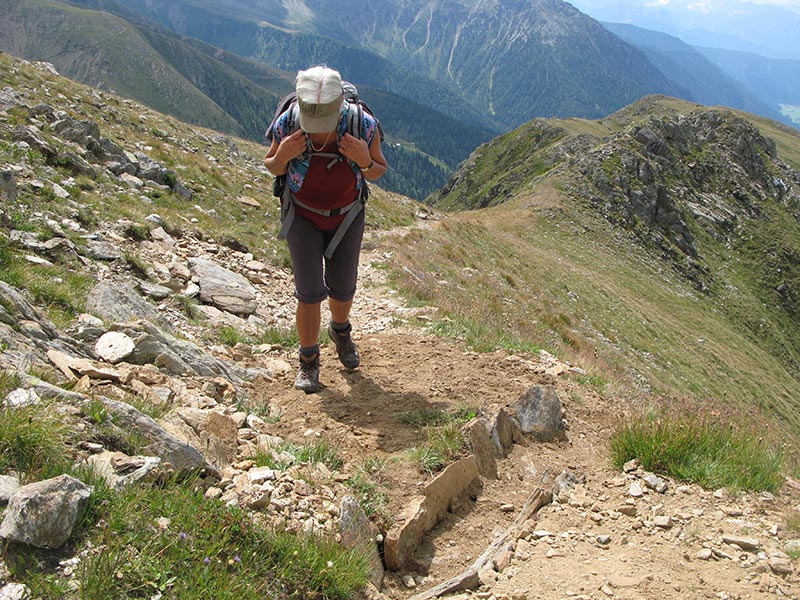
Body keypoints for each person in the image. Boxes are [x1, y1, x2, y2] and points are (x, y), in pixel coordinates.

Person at [264, 65, 387, 393]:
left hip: (347, 215)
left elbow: (377, 171)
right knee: (309, 291)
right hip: (301, 215)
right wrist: (284, 156)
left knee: (343, 288)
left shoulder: (362, 126)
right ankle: (308, 361)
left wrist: (363, 159)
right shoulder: (288, 122)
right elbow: (271, 164)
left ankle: (340, 330)